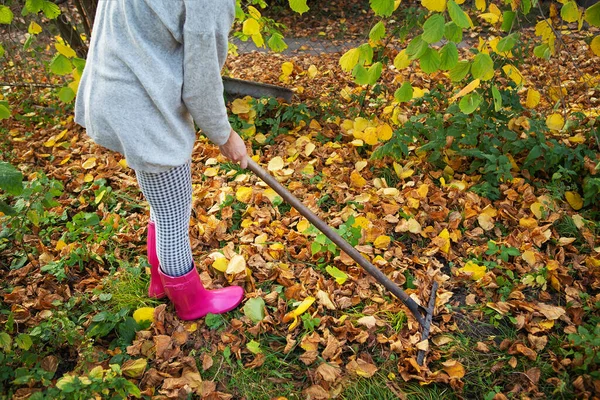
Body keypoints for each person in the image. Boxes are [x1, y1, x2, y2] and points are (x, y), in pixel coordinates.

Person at [74, 0, 247, 320]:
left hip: (112, 91)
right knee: (173, 213)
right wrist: (226, 137)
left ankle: (160, 280)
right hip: (142, 107)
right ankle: (190, 301)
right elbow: (202, 86)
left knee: (163, 202)